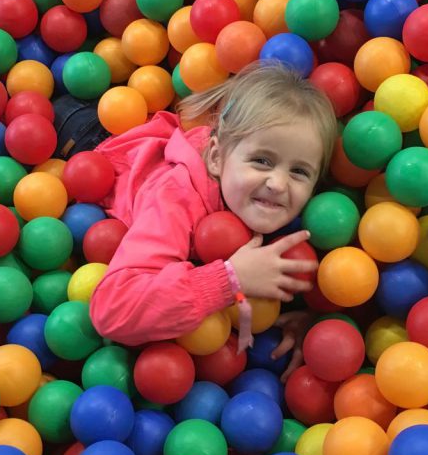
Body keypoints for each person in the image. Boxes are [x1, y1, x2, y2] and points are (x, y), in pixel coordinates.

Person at [89, 61, 338, 376]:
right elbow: (112, 309)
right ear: (217, 158)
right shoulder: (176, 198)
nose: (278, 184)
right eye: (262, 161)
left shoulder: (299, 213)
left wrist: (305, 315)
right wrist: (229, 280)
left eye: (299, 171)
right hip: (88, 138)